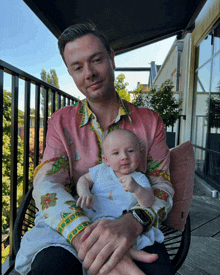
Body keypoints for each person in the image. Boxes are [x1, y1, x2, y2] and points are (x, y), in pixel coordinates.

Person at [15, 22, 175, 275]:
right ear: (71, 73)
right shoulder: (61, 121)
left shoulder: (149, 121)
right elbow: (47, 183)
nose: (88, 73)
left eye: (96, 60)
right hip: (71, 228)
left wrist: (133, 223)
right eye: (78, 67)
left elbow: (162, 186)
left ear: (111, 58)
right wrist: (86, 240)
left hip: (131, 223)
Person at [76, 129, 164, 259]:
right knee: (87, 237)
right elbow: (83, 180)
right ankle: (130, 255)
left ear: (139, 154)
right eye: (116, 153)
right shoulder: (101, 170)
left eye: (130, 151)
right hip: (93, 219)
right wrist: (85, 192)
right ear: (106, 160)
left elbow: (148, 202)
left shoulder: (139, 178)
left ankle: (128, 254)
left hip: (120, 224)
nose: (124, 156)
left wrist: (137, 189)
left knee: (119, 241)